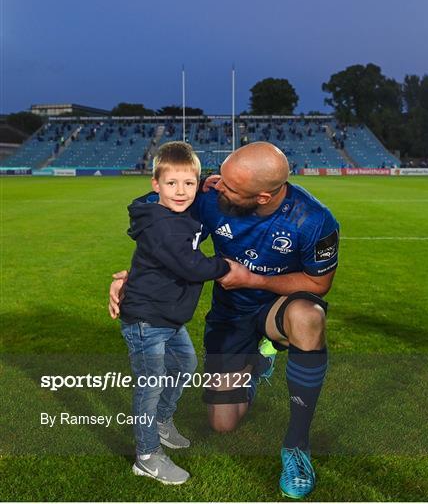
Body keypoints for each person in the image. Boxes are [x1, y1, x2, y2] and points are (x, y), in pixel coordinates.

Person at [110, 142, 339, 498]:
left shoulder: (314, 220)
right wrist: (129, 278)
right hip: (231, 314)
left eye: (229, 187)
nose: (217, 186)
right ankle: (256, 363)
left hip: (278, 307)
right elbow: (158, 227)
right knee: (223, 423)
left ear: (262, 197)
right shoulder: (211, 195)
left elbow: (318, 284)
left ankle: (296, 446)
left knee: (308, 317)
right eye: (220, 178)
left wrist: (253, 279)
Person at [116, 141, 231, 486]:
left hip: (168, 316)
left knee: (185, 365)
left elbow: (193, 216)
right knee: (149, 386)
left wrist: (209, 180)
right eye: (171, 184)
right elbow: (192, 266)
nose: (181, 192)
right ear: (155, 185)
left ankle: (162, 422)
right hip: (146, 319)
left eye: (189, 184)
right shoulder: (161, 225)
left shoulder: (181, 212)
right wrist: (225, 265)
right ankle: (147, 456)